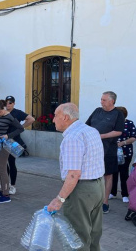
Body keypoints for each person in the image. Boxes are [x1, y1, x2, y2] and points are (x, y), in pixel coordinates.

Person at [47, 103, 105, 251]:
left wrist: (59, 199)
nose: (53, 120)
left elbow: (73, 174)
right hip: (98, 186)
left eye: (55, 115)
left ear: (65, 117)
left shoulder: (72, 137)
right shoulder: (91, 130)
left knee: (77, 236)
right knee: (94, 232)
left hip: (81, 190)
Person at [85, 91, 124, 214]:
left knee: (107, 175)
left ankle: (105, 202)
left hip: (108, 150)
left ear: (112, 101)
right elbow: (87, 125)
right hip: (92, 149)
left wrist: (100, 136)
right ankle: (92, 201)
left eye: (104, 100)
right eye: (101, 99)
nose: (101, 102)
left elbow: (118, 132)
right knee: (92, 175)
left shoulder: (118, 114)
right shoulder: (97, 111)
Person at [0, 100, 24, 203]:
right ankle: (2, 190)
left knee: (2, 169)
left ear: (3, 109)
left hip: (3, 146)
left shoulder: (9, 117)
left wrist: (7, 136)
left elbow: (20, 128)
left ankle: (6, 195)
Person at [4, 95, 35, 194]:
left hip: (13, 141)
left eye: (10, 103)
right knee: (4, 163)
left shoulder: (17, 112)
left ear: (14, 103)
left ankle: (13, 186)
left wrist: (21, 127)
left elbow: (31, 119)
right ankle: (6, 183)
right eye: (7, 102)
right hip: (3, 140)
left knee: (11, 162)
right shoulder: (3, 112)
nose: (8, 104)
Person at [110, 106, 136, 203]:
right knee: (113, 173)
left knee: (124, 173)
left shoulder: (129, 123)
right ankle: (112, 192)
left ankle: (125, 194)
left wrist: (122, 143)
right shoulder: (112, 123)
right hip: (112, 152)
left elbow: (133, 137)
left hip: (125, 153)